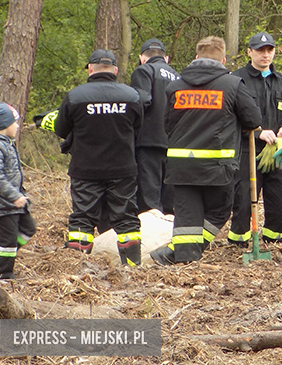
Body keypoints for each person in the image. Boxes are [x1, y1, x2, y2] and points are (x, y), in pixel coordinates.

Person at [151, 36, 262, 265]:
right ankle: (180, 255)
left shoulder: (175, 87)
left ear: (196, 58)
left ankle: (180, 256)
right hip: (217, 168)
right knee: (219, 212)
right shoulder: (232, 85)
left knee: (187, 216)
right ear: (223, 59)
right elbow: (254, 119)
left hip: (181, 167)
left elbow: (166, 124)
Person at [54, 49, 144, 266]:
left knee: (82, 218)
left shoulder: (75, 96)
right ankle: (133, 268)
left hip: (86, 169)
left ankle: (77, 268)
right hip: (122, 169)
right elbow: (138, 129)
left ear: (90, 69)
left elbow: (61, 129)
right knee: (126, 220)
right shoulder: (131, 96)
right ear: (115, 70)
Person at [227, 32, 282, 246]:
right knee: (243, 199)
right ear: (249, 52)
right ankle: (239, 241)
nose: (265, 55)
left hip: (278, 152)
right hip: (247, 150)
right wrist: (256, 132)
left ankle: (274, 239)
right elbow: (228, 118)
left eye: (269, 50)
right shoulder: (235, 80)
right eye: (260, 50)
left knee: (278, 198)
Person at [130, 38, 180, 214]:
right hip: (174, 143)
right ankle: (168, 237)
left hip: (148, 142)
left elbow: (142, 100)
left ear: (142, 58)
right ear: (166, 58)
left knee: (149, 199)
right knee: (169, 199)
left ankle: (150, 238)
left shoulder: (144, 71)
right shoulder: (178, 76)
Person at [0, 103, 36, 279]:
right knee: (7, 243)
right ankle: (5, 274)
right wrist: (14, 196)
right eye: (14, 122)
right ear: (4, 124)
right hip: (4, 205)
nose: (17, 126)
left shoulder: (8, 144)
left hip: (16, 204)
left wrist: (22, 195)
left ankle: (6, 256)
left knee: (28, 229)